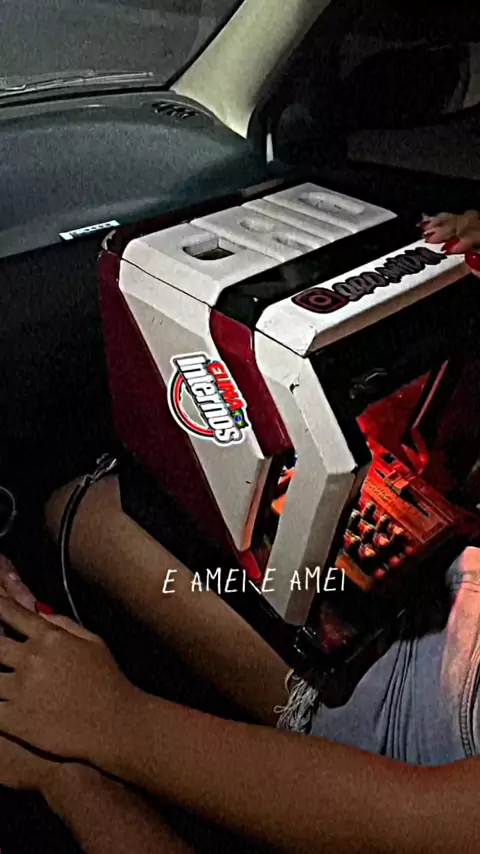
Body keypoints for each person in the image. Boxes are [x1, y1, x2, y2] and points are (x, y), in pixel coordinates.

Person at [0, 211, 479, 854]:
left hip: (387, 722)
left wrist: (109, 725)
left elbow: (416, 820)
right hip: (450, 596)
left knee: (80, 513)